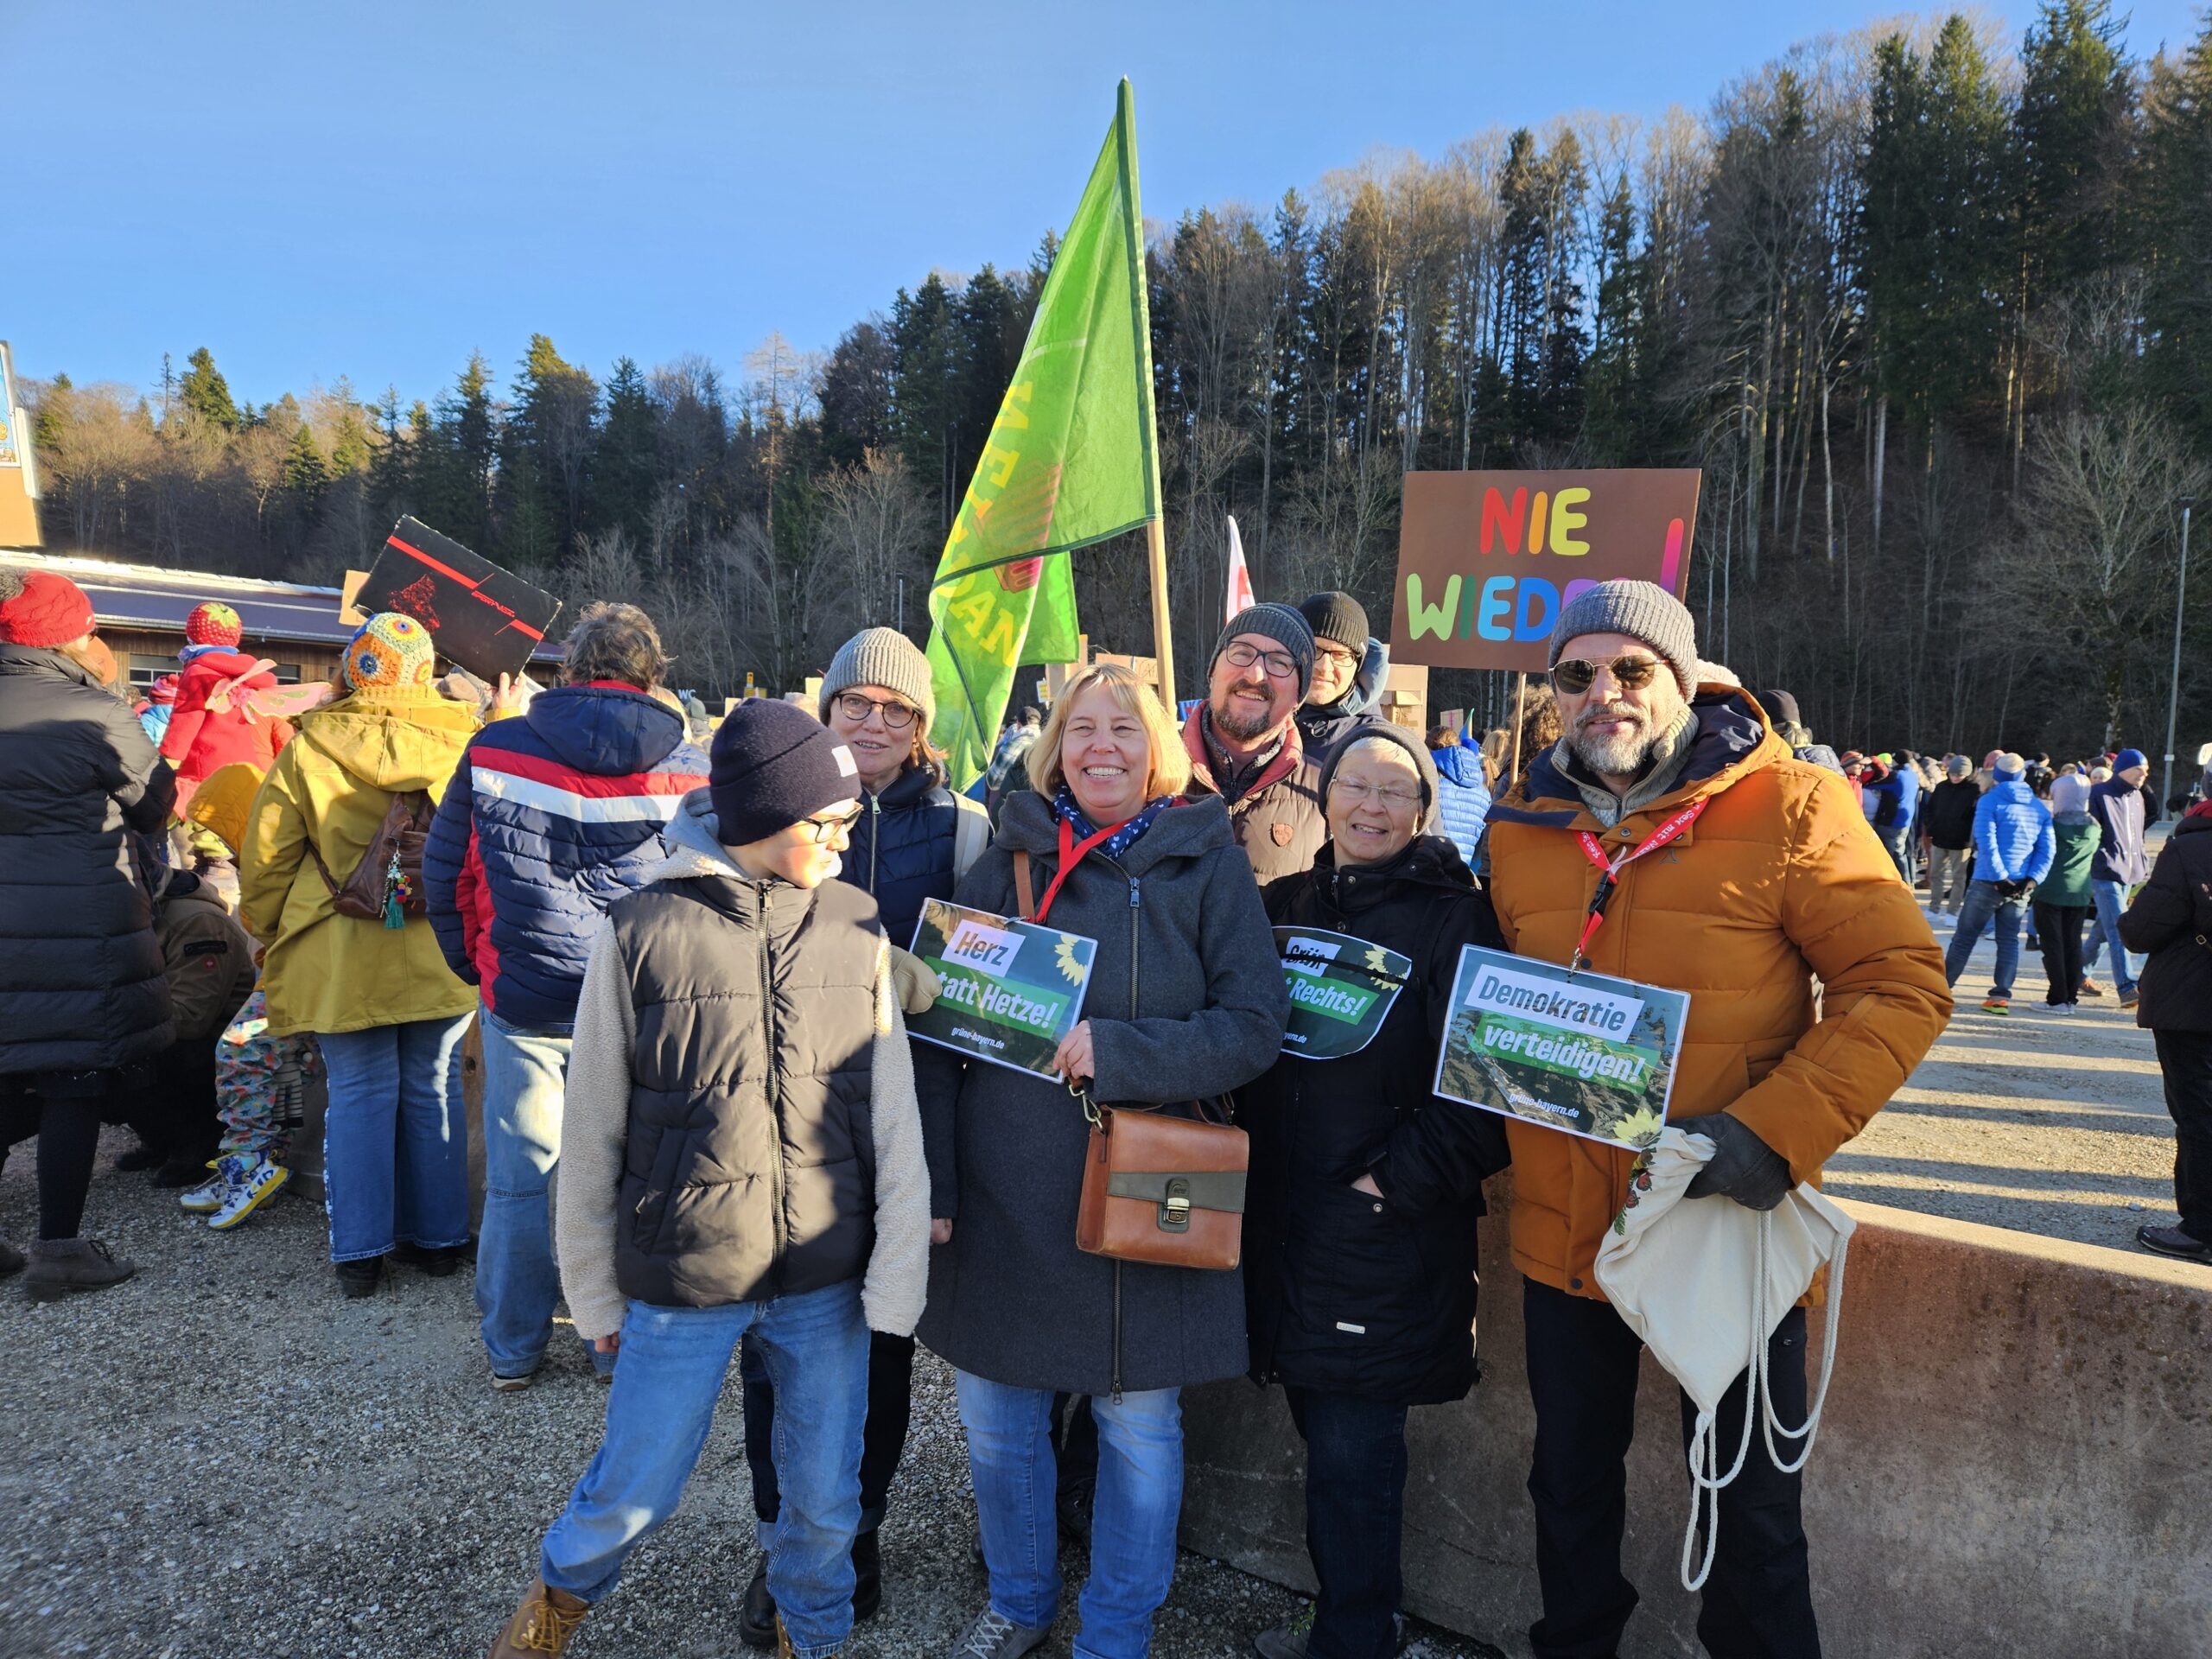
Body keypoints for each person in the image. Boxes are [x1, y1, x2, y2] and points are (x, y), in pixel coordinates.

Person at [1479, 579, 1948, 1659]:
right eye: (1576, 674)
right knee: (1568, 1490)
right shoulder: (1518, 828)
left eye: (1631, 669)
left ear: (1682, 679)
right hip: (1564, 1229)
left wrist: (1773, 1133)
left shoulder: (1790, 803)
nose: (1604, 693)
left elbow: (1900, 982)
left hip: (1720, 1214)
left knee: (1751, 1512)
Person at [486, 701, 930, 1659]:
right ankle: (556, 1606)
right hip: (685, 1278)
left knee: (824, 1501)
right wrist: (590, 1284)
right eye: (828, 824)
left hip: (822, 1280)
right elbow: (593, 1122)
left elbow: (890, 1110)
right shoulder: (641, 929)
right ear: (765, 815)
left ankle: (810, 1639)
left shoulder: (855, 925)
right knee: (635, 1482)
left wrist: (898, 1270)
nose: (844, 844)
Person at [917, 662, 1288, 1659]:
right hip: (1007, 1192)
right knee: (998, 1425)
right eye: (1082, 729)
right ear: (1055, 747)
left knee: (1138, 1428)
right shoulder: (1007, 857)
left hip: (1148, 1188)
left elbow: (1256, 1026)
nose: (1101, 749)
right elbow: (943, 1035)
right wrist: (938, 1188)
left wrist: (1127, 1053)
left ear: (1157, 748)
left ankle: (1117, 1629)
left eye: (1123, 730)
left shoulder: (1205, 861)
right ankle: (1021, 1603)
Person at [732, 625, 991, 1646]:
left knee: (880, 1349)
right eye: (856, 704)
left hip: (899, 1127)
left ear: (921, 726)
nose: (874, 721)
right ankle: (780, 1538)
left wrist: (948, 1183)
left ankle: (857, 1530)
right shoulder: (773, 807)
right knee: (770, 1351)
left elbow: (975, 1011)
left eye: (896, 709)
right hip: (780, 1123)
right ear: (827, 709)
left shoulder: (965, 830)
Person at [1242, 727, 1510, 1659]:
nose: (1369, 806)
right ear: (1324, 796)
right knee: (1322, 1439)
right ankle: (1347, 1623)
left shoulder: (1456, 917)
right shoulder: (1287, 902)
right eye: (1353, 785)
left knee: (1355, 1461)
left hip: (1379, 1234)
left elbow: (1489, 1095)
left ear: (1424, 810)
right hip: (1283, 1227)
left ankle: (1358, 1639)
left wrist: (1384, 1185)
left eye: (1393, 791)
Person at [421, 601, 709, 1386]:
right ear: (654, 675)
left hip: (525, 996)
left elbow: (443, 876)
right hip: (644, 1000)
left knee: (522, 1177)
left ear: (569, 670)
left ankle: (513, 1350)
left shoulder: (495, 748)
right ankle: (609, 1344)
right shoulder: (690, 764)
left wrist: (478, 969)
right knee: (630, 1173)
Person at [239, 612, 480, 1298]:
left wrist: (265, 929)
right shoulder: (466, 741)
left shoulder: (309, 748)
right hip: (439, 943)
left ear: (353, 665)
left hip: (337, 945)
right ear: (428, 670)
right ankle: (439, 1244)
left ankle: (361, 1258)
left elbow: (267, 860)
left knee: (356, 1096)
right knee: (433, 1088)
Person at [0, 569, 177, 1298]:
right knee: (71, 1079)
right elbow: (154, 802)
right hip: (75, 915)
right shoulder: (91, 712)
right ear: (67, 636)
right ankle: (61, 1251)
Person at [2118, 799, 2212, 1264]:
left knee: (2199, 1115)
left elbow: (2141, 930)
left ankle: (2201, 1229)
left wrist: (2129, 912)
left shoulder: (2191, 848)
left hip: (2195, 1004)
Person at [1180, 603, 1327, 882]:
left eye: (1279, 662)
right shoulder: (1152, 770)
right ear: (1212, 672)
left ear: (1299, 696)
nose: (1255, 675)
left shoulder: (1326, 796)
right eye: (1241, 653)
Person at [1942, 754, 2055, 1016]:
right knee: (2008, 941)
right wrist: (2031, 880)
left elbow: (1986, 841)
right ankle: (2000, 996)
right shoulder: (2038, 808)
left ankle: (1943, 990)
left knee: (1964, 938)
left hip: (1988, 881)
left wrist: (1998, 877)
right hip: (2020, 884)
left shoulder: (1989, 801)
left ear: (1997, 776)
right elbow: (2046, 850)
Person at [157, 601, 295, 804]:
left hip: (204, 771)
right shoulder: (251, 675)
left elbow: (186, 720)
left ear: (192, 635)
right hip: (247, 769)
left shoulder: (198, 672)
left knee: (198, 831)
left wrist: (165, 763)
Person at [2088, 747, 2153, 1011]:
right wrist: (2102, 857)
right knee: (2119, 929)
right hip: (2105, 872)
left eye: (2146, 770)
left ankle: (2077, 974)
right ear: (2123, 768)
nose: (2143, 775)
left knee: (2102, 931)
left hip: (2129, 872)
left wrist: (2141, 862)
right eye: (2139, 769)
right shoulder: (2098, 793)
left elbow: (2138, 834)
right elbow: (2091, 833)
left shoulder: (2138, 796)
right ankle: (2127, 987)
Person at [1294, 591, 1389, 761]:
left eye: (1340, 654)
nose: (1324, 667)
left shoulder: (1378, 747)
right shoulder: (1262, 715)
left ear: (1358, 666)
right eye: (1314, 649)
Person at [2035, 772, 2101, 1014]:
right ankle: (2071, 997)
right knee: (2073, 945)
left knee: (2052, 945)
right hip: (2080, 891)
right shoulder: (2094, 826)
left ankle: (2057, 998)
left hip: (2051, 890)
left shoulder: (2052, 825)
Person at [1923, 755, 1980, 921]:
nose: (1955, 777)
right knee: (1935, 874)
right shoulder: (1941, 787)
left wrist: (1970, 838)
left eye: (1959, 775)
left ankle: (1952, 912)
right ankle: (1934, 909)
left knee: (1958, 878)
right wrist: (1931, 826)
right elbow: (1931, 809)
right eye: (1953, 774)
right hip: (1940, 838)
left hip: (1961, 843)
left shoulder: (1974, 791)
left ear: (1967, 774)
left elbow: (1976, 816)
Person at [1427, 723, 1491, 863]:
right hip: (1463, 870)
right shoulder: (1483, 792)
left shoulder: (1427, 781)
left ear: (1427, 748)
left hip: (1428, 866)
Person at [1864, 748, 1921, 882]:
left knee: (1889, 856)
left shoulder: (1896, 777)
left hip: (1891, 822)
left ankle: (1896, 884)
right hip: (1906, 822)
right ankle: (1908, 882)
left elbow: (1870, 786)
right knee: (1900, 853)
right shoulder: (1913, 774)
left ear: (1896, 760)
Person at [984, 704, 1043, 822]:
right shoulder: (1047, 747)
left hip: (1009, 812)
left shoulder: (1010, 747)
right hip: (1041, 810)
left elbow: (992, 781)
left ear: (1018, 725)